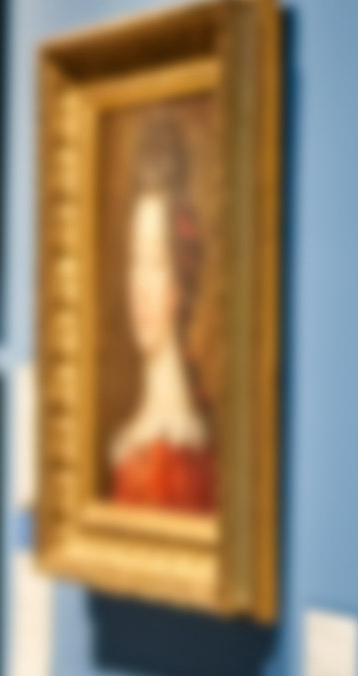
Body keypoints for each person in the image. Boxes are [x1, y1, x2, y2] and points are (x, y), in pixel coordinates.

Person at [107, 115, 215, 513]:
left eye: (156, 261)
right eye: (136, 260)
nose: (141, 286)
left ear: (180, 280)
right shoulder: (134, 435)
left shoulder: (183, 448)